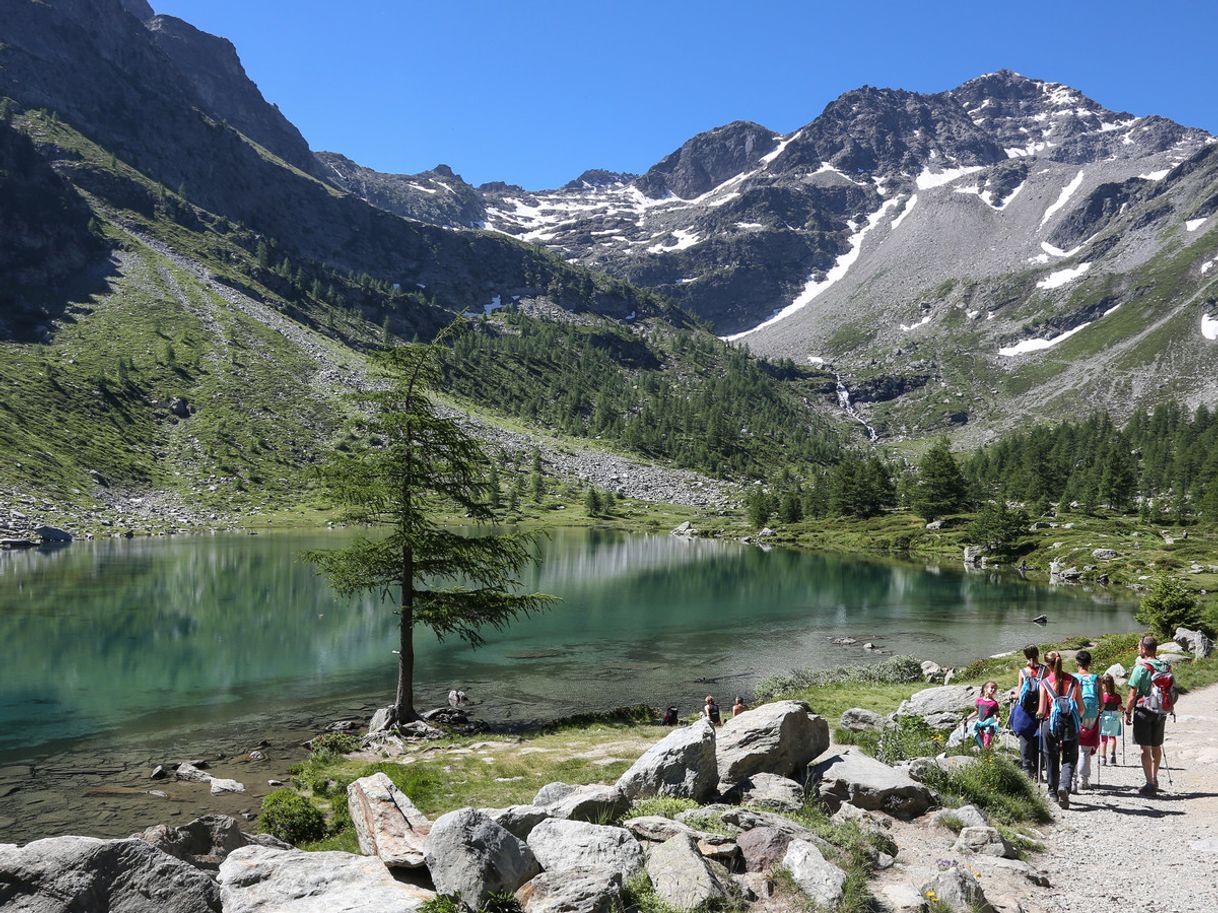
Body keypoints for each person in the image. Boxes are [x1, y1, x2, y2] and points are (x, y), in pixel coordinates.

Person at [1125, 635, 1174, 794]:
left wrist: (1127, 712)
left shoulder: (1141, 668)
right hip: (1161, 711)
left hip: (1144, 711)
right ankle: (1155, 777)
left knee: (1144, 749)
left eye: (1139, 647)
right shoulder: (1166, 667)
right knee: (1156, 746)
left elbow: (1132, 695)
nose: (1139, 649)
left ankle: (1149, 784)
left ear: (1144, 649)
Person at [1038, 649, 1083, 808]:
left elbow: (1042, 710)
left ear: (1047, 665)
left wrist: (1038, 714)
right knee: (1070, 757)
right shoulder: (1073, 681)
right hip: (1070, 723)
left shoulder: (1044, 683)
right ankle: (1064, 786)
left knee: (1051, 756)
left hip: (1050, 724)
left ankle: (1052, 792)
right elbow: (1081, 708)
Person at [1009, 645, 1048, 776]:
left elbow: (1020, 694)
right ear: (1038, 654)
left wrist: (1012, 696)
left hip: (1024, 711)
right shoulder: (1045, 670)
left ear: (1025, 656)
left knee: (1025, 739)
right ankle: (1039, 769)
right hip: (1041, 709)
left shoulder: (1023, 672)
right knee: (1039, 740)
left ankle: (1026, 768)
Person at [1073, 650, 1101, 791]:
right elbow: (1102, 703)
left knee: (1072, 747)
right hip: (1091, 713)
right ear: (1089, 663)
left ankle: (1072, 780)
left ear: (1076, 662)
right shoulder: (1096, 678)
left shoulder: (1072, 678)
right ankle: (1083, 781)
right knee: (1085, 749)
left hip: (1075, 713)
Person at [1099, 673, 1123, 764]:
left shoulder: (1103, 697)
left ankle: (1103, 758)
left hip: (1105, 718)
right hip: (1115, 718)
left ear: (1103, 685)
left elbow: (1101, 708)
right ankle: (1113, 756)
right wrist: (1123, 709)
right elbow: (1120, 708)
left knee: (1103, 739)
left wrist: (1099, 709)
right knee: (1112, 737)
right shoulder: (1117, 696)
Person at [974, 680, 1001, 749]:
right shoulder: (979, 700)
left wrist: (998, 720)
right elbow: (976, 712)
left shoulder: (994, 703)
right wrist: (967, 718)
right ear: (985, 689)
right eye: (992, 687)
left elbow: (997, 715)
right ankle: (983, 756)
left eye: (995, 689)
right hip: (980, 724)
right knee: (980, 741)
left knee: (987, 742)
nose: (993, 689)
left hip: (988, 726)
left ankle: (987, 756)